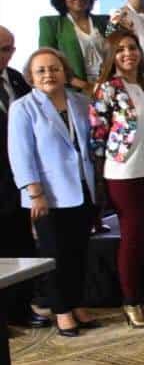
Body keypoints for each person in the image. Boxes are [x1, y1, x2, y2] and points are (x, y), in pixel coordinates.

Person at [6, 49, 98, 336]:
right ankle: (61, 311)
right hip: (47, 195)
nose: (49, 74)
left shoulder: (80, 102)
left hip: (82, 189)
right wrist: (34, 193)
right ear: (30, 77)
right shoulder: (23, 107)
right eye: (41, 70)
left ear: (64, 71)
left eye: (54, 68)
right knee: (54, 254)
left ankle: (77, 302)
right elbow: (21, 154)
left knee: (79, 252)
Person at [88, 30, 144, 327]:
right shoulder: (107, 88)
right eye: (121, 49)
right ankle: (132, 301)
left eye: (133, 47)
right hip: (124, 171)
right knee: (133, 237)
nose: (128, 53)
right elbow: (98, 133)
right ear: (113, 56)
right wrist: (99, 171)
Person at [0, 25, 48, 328]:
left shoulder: (16, 78)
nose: (3, 55)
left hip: (19, 177)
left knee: (21, 245)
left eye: (7, 49)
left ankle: (21, 308)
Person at [38, 0, 110, 91]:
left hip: (107, 88)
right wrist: (85, 86)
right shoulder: (51, 24)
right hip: (73, 91)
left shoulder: (104, 21)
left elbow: (116, 52)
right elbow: (47, 63)